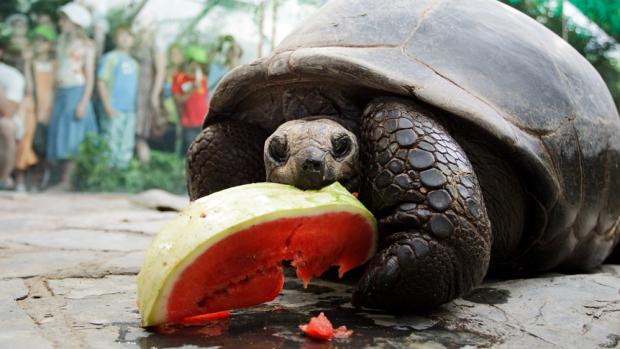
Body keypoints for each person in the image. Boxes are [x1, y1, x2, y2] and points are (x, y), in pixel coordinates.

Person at [46, 2, 97, 190]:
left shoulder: (86, 46)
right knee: (59, 134)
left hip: (76, 92)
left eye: (64, 19)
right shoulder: (60, 42)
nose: (61, 23)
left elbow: (89, 77)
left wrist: (83, 102)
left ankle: (67, 181)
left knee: (72, 136)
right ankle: (57, 178)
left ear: (75, 22)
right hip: (61, 92)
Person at [15, 25, 57, 191]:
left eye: (43, 41)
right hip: (32, 107)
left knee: (44, 144)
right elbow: (28, 87)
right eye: (37, 41)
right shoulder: (30, 63)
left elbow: (55, 86)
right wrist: (27, 63)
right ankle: (21, 177)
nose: (39, 44)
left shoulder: (55, 64)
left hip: (49, 108)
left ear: (50, 44)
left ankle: (38, 179)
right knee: (28, 140)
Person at [96, 26, 138, 168]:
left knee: (126, 143)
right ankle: (107, 172)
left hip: (130, 109)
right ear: (115, 39)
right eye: (122, 35)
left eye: (129, 35)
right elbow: (101, 81)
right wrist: (107, 105)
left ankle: (121, 173)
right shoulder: (110, 58)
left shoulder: (134, 63)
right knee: (110, 140)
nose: (125, 39)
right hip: (114, 107)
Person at [133, 18, 166, 163]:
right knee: (133, 133)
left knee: (140, 134)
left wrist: (154, 94)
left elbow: (161, 71)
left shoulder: (155, 45)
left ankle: (144, 168)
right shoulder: (136, 44)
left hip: (145, 93)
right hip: (133, 93)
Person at [172, 46, 209, 155]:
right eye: (196, 62)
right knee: (190, 152)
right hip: (189, 123)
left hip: (203, 122)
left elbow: (204, 99)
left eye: (201, 63)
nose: (198, 66)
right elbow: (178, 100)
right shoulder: (179, 77)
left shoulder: (202, 78)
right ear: (190, 61)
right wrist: (192, 89)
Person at [0, 34, 26, 190]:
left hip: (5, 118)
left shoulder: (12, 76)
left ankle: (4, 178)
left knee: (6, 126)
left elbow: (8, 111)